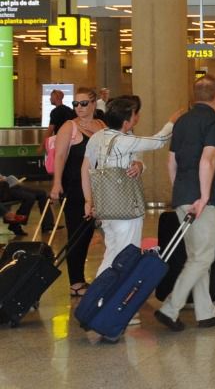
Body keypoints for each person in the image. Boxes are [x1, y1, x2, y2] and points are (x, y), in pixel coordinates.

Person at [82, 97, 180, 328]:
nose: (138, 118)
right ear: (127, 121)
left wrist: (139, 166)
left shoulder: (99, 138)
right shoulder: (125, 141)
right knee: (125, 259)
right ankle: (116, 308)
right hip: (126, 210)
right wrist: (172, 122)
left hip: (107, 208)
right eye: (136, 114)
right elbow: (159, 141)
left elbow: (92, 168)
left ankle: (96, 302)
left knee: (111, 255)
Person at [155, 76, 215, 332]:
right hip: (202, 198)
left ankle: (205, 312)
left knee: (197, 257)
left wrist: (181, 192)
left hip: (183, 195)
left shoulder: (182, 121)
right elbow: (208, 160)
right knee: (203, 257)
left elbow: (171, 161)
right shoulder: (214, 122)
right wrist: (205, 196)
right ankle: (170, 308)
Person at [49, 87, 105, 297]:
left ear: (93, 104)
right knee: (77, 233)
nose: (79, 108)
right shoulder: (68, 127)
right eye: (76, 104)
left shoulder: (101, 124)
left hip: (97, 186)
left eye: (83, 104)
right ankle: (75, 281)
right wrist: (56, 183)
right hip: (74, 186)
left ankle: (83, 279)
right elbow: (60, 156)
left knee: (89, 232)